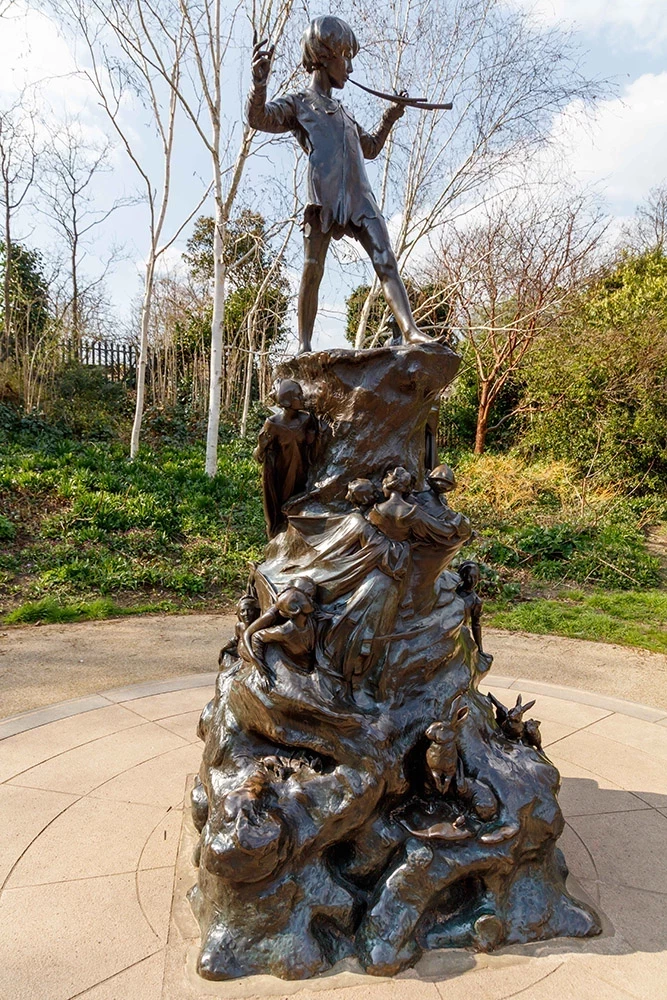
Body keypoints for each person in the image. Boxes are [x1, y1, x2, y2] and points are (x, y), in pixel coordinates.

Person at [248, 16, 433, 353]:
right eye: (345, 57)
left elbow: (371, 148)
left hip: (360, 196)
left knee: (385, 257)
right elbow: (258, 118)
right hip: (325, 196)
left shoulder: (344, 113)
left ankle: (410, 331)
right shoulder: (300, 104)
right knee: (312, 269)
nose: (349, 67)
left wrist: (390, 117)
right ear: (323, 56)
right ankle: (303, 347)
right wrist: (259, 85)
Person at [254, 379, 317, 538]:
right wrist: (261, 447)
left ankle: (296, 541)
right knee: (279, 513)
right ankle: (278, 541)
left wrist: (314, 440)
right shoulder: (272, 424)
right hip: (280, 476)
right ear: (287, 401)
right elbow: (258, 457)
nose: (303, 399)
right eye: (298, 396)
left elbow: (314, 446)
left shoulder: (307, 419)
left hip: (302, 475)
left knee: (298, 510)